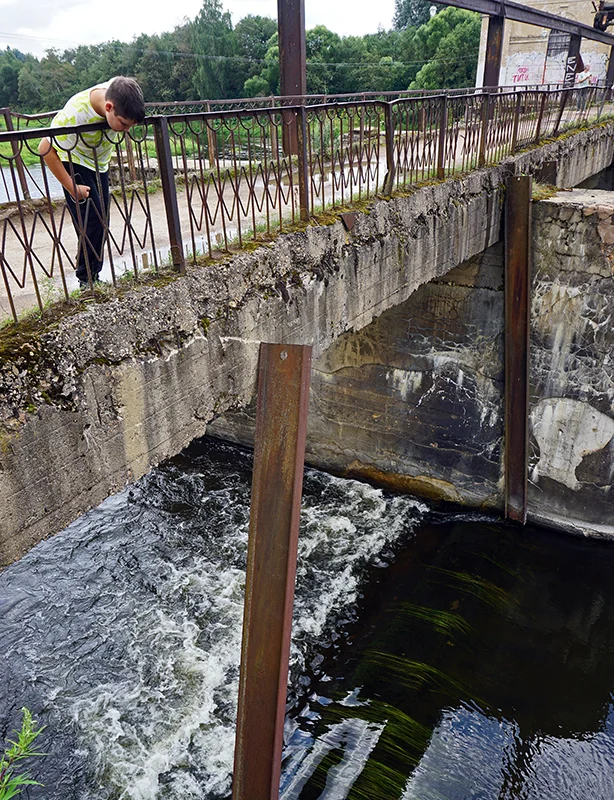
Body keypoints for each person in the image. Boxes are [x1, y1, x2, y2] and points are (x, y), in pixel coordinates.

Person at [38, 76, 146, 288]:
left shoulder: (117, 92)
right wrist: (71, 187)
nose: (126, 131)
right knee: (92, 220)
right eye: (123, 124)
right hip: (73, 160)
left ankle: (92, 275)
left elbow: (122, 83)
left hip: (98, 162)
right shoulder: (76, 115)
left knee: (102, 221)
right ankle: (87, 280)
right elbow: (44, 147)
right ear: (108, 107)